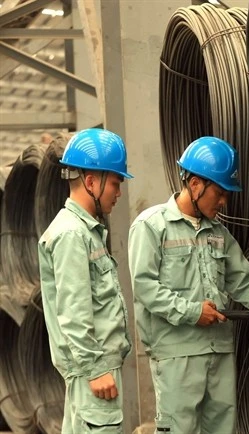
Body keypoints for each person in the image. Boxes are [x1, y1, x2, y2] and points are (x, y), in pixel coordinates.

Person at [128, 136, 249, 434]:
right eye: (219, 192)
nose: (224, 201)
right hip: (177, 355)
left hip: (219, 351)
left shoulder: (219, 235)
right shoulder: (151, 227)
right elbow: (145, 288)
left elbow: (246, 284)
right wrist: (192, 312)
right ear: (194, 185)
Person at [38, 128, 134, 433]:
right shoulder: (71, 235)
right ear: (91, 181)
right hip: (94, 370)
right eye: (116, 183)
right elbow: (73, 312)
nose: (119, 193)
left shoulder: (85, 231)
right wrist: (95, 370)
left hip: (96, 368)